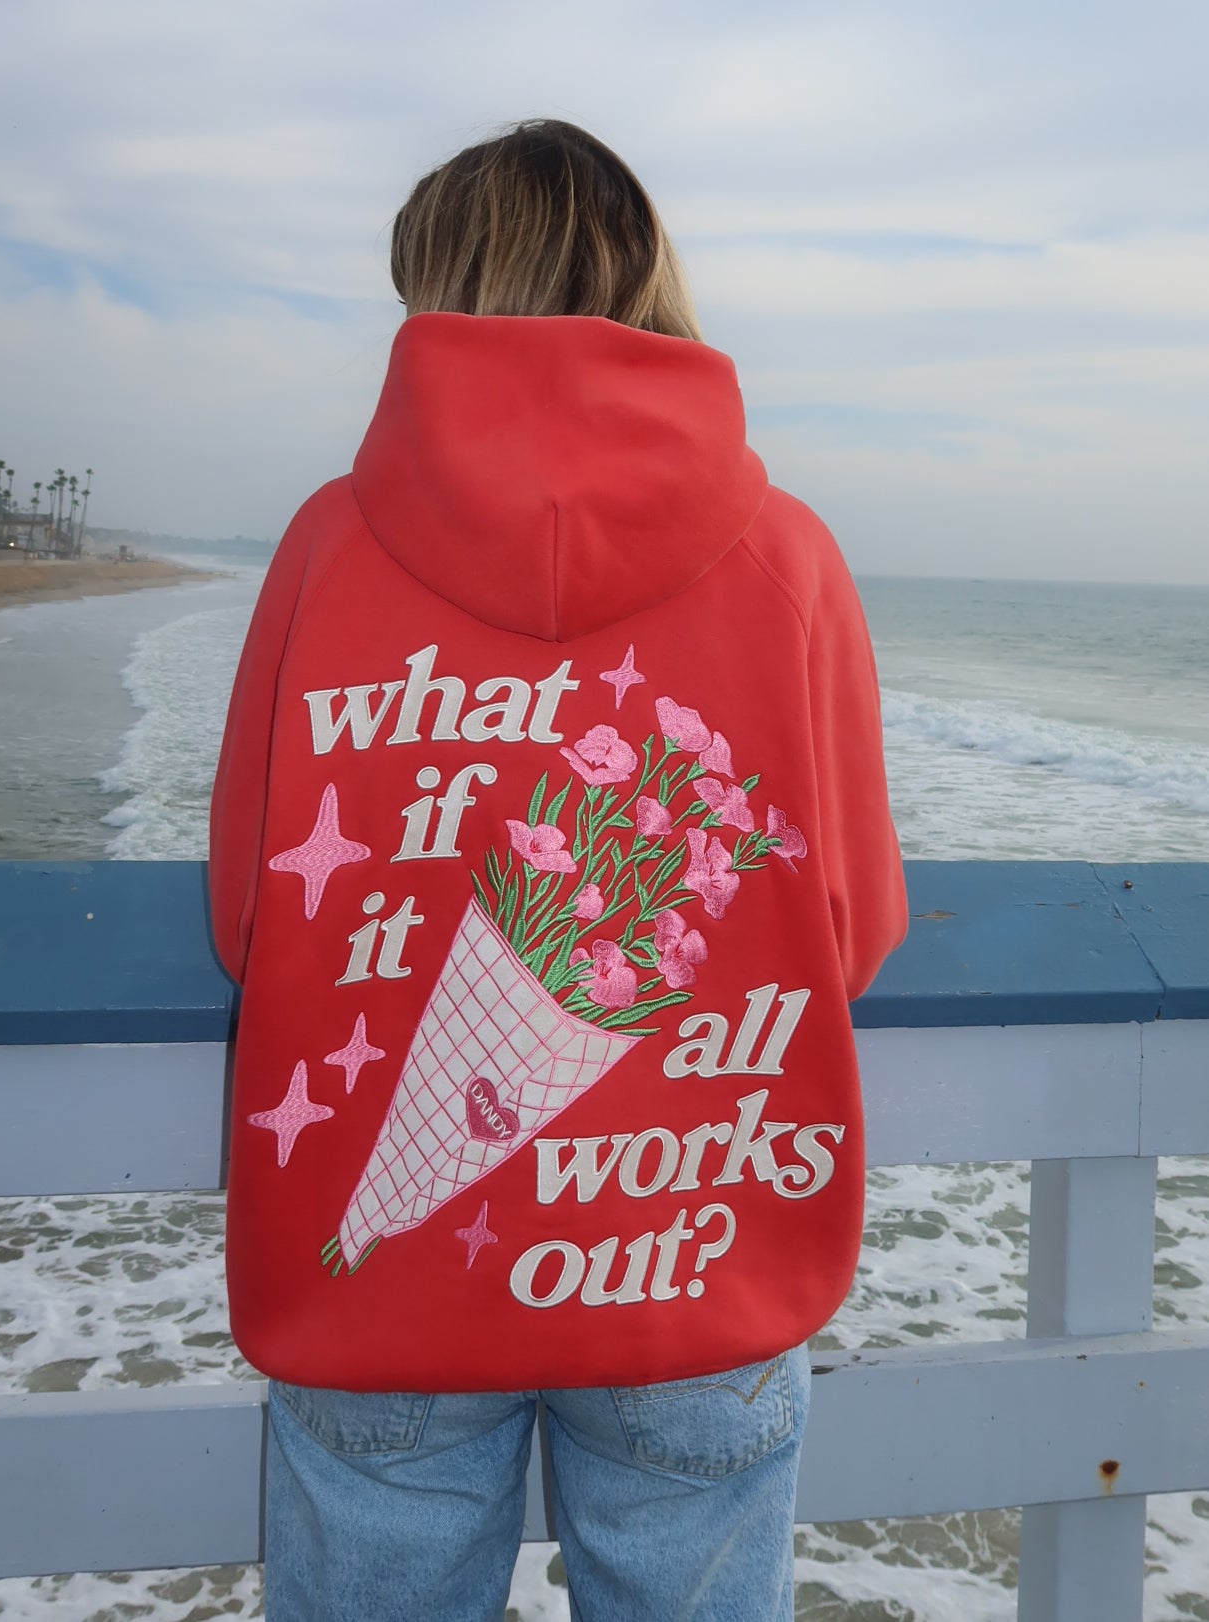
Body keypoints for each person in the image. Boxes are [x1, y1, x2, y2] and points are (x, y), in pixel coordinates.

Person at [209, 119, 907, 1622]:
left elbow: (246, 917)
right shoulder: (790, 556)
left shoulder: (326, 545)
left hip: (381, 1289)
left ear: (440, 295)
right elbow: (849, 930)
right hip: (691, 1253)